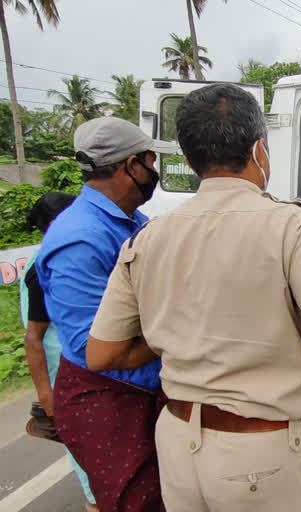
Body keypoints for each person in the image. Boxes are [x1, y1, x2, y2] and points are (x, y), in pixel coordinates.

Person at [84, 83, 301, 512]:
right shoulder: (291, 226)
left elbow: (101, 353)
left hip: (176, 443)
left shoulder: (148, 237)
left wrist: (180, 331)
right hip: (259, 456)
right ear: (260, 150)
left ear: (187, 161)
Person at [36, 117, 168, 512]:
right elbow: (94, 347)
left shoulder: (132, 222)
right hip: (110, 400)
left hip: (142, 391)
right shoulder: (80, 237)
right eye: (150, 160)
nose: (154, 171)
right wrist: (174, 331)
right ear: (131, 166)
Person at [20, 193, 98, 512]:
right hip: (63, 374)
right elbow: (33, 338)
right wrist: (46, 396)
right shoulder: (44, 265)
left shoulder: (58, 255)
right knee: (90, 465)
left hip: (77, 371)